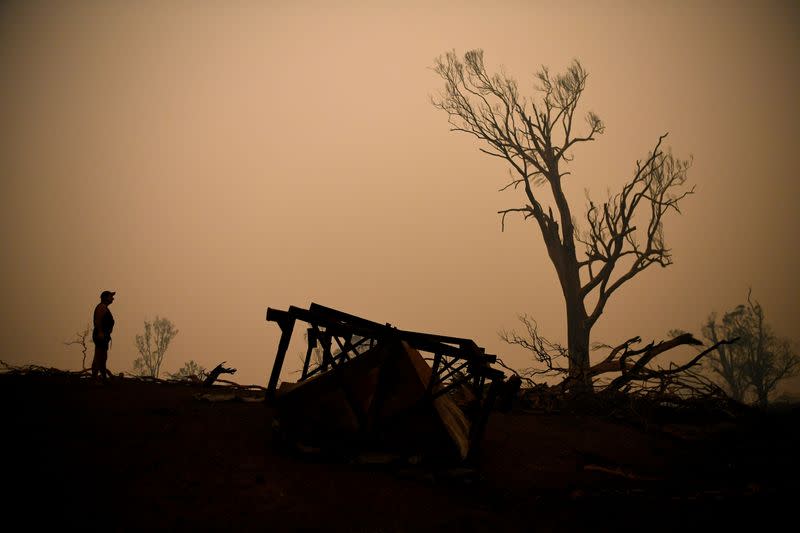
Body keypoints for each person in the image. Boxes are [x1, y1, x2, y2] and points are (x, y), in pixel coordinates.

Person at [91, 290, 116, 381]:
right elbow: (97, 321)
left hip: (104, 336)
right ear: (105, 298)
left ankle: (103, 377)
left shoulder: (104, 307)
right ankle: (95, 378)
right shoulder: (101, 307)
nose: (113, 298)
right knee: (99, 356)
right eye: (110, 296)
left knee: (103, 357)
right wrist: (101, 333)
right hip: (100, 335)